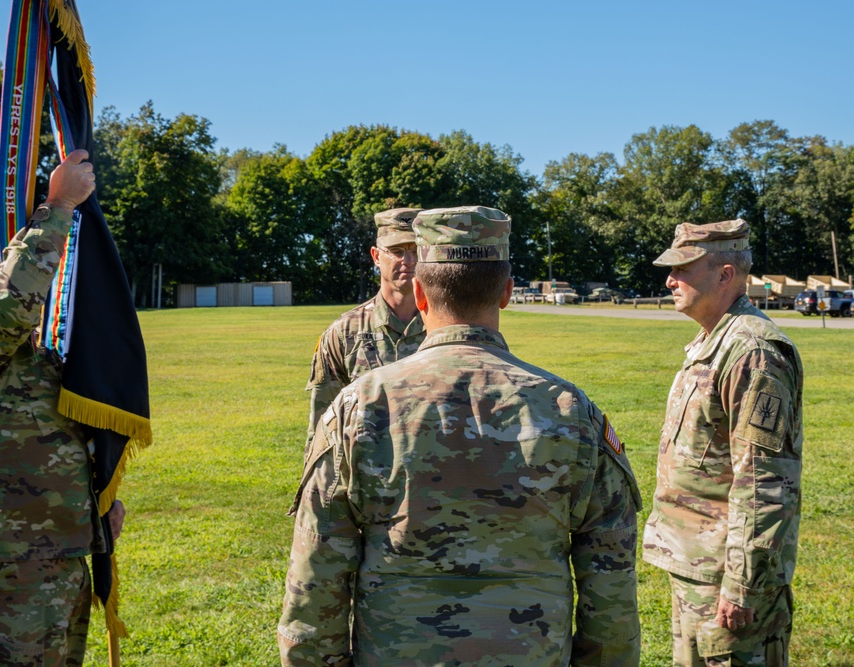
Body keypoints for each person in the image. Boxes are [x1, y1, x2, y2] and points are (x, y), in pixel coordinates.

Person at [279, 205, 641, 666]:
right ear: (507, 292)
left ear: (421, 293)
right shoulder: (571, 411)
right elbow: (611, 589)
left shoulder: (359, 407)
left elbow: (316, 584)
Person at [0, 150, 124, 666]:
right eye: (13, 249)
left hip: (61, 561)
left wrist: (94, 514)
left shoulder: (51, 348)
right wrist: (58, 205)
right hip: (1, 571)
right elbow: (10, 304)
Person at [643, 219, 803, 667]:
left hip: (725, 577)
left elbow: (764, 483)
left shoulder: (753, 351)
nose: (670, 280)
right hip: (697, 564)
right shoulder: (714, 341)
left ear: (725, 273)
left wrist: (744, 584)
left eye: (683, 269)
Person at [304, 208, 426, 455]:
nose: (409, 261)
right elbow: (322, 425)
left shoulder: (448, 327)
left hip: (436, 483)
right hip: (368, 483)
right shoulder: (344, 333)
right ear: (376, 256)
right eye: (397, 251)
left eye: (416, 251)